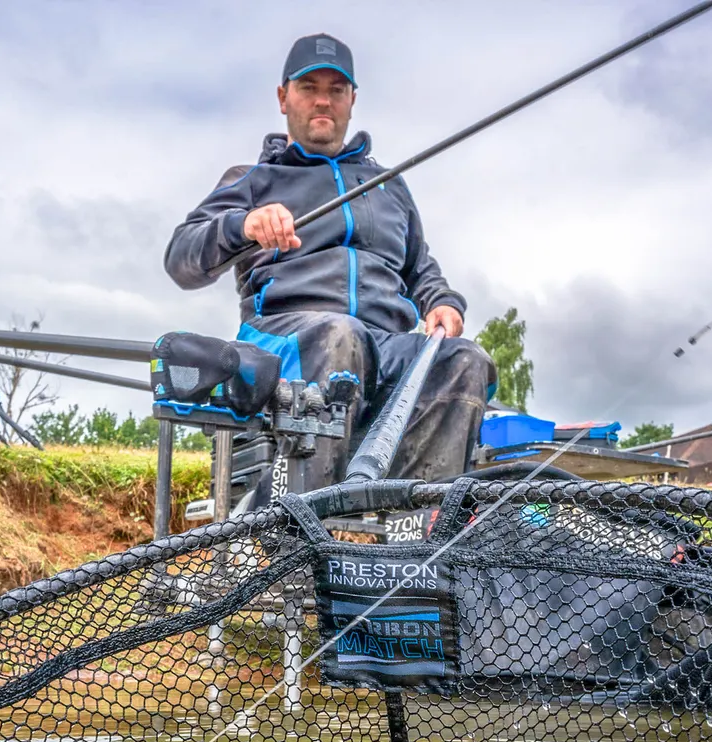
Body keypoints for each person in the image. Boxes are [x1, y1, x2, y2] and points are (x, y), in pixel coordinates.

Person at [165, 33, 495, 487]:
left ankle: (417, 516)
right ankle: (306, 521)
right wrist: (243, 225)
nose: (323, 101)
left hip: (385, 345)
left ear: (352, 100)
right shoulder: (253, 179)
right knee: (342, 335)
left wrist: (442, 301)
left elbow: (420, 268)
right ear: (283, 97)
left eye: (336, 90)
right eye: (309, 87)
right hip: (286, 336)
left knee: (464, 359)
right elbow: (180, 258)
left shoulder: (389, 186)